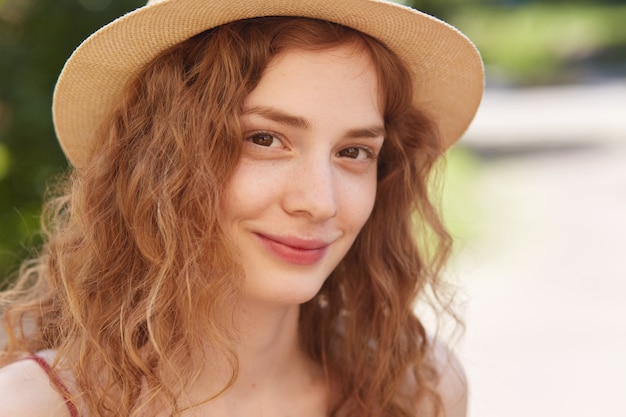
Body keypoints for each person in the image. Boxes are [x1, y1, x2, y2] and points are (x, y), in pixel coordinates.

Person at [0, 0, 483, 416]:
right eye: (264, 139)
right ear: (159, 161)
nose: (320, 202)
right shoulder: (36, 406)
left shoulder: (417, 393)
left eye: (353, 152)